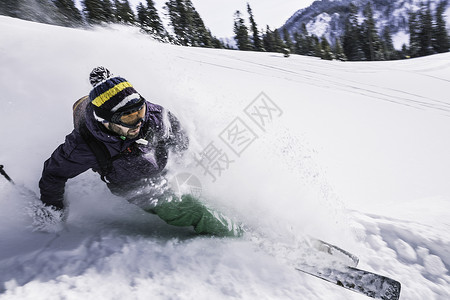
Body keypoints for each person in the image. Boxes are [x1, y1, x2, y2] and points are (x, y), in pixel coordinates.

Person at [36, 67, 242, 237]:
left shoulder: (153, 115)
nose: (138, 121)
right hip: (133, 184)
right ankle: (235, 236)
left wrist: (183, 161)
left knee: (197, 182)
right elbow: (53, 174)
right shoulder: (84, 146)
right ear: (107, 121)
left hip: (157, 161)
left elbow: (178, 137)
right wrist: (53, 209)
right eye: (127, 118)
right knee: (188, 208)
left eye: (140, 111)